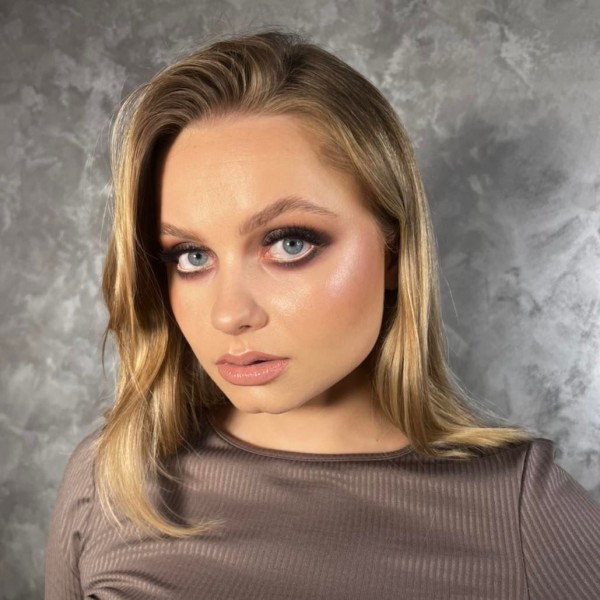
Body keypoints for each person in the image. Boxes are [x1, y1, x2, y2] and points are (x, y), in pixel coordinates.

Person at [44, 28, 600, 599]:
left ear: (393, 250)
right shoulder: (111, 480)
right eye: (191, 256)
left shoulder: (522, 512)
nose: (230, 314)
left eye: (289, 243)